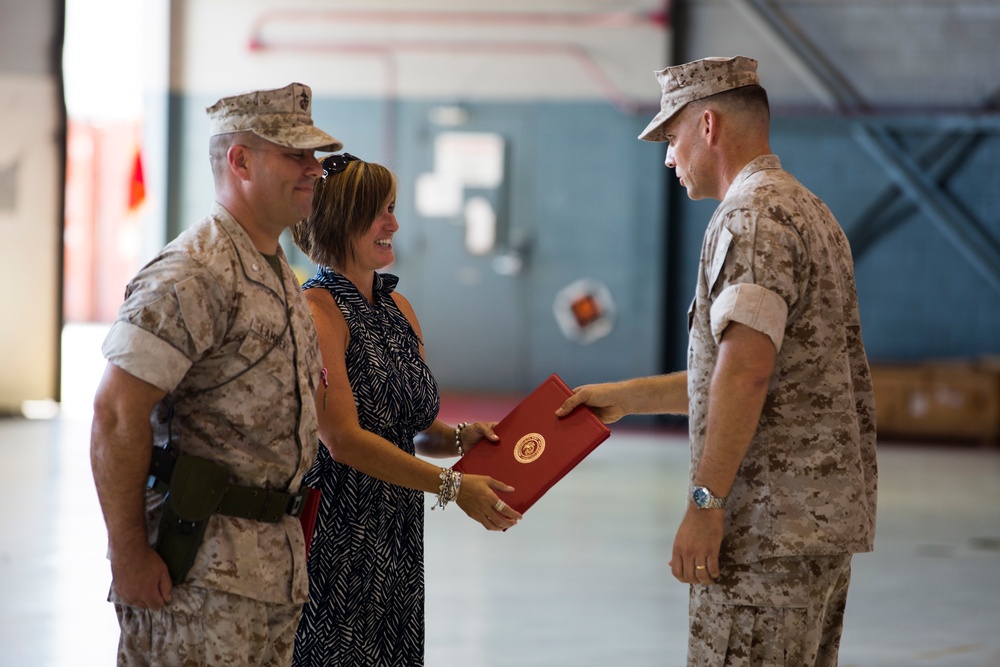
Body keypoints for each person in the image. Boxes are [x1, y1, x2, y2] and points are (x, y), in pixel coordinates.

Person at [557, 56, 877, 666]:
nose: (670, 159)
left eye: (672, 139)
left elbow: (748, 370)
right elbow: (756, 373)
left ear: (708, 126)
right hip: (810, 531)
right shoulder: (807, 209)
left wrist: (706, 504)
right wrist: (627, 397)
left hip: (764, 530)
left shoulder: (749, 218)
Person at [90, 82, 342, 666]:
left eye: (315, 157)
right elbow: (115, 412)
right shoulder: (193, 273)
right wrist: (127, 552)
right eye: (296, 155)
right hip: (197, 575)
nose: (314, 170)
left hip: (269, 570)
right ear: (240, 160)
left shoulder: (275, 268)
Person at [289, 152, 522, 665]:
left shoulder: (398, 310)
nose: (393, 224)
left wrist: (461, 439)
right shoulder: (317, 312)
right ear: (338, 221)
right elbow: (344, 440)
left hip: (396, 527)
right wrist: (452, 486)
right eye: (378, 212)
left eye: (392, 208)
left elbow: (409, 426)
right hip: (339, 532)